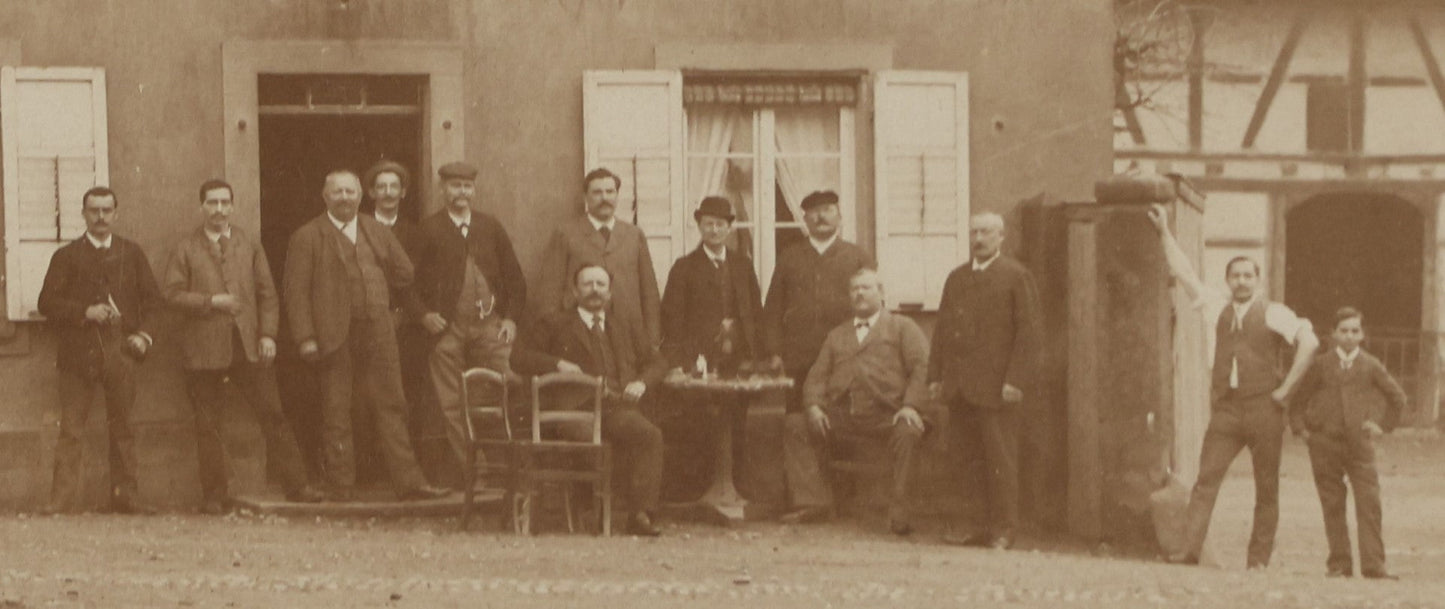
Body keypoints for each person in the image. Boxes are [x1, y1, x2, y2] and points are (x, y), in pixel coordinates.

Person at [1148, 203, 1319, 569]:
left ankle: (1257, 561)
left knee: (1266, 487)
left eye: (1247, 276)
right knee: (1206, 479)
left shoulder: (1274, 312)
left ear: (1257, 280)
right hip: (1227, 408)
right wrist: (1164, 232)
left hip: (1264, 408)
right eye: (1235, 276)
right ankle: (1189, 551)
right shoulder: (1215, 306)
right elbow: (1185, 273)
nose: (1241, 281)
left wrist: (1286, 389)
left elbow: (1311, 343)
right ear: (1228, 281)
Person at [282, 169, 449, 502]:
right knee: (336, 408)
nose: (345, 198)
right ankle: (341, 486)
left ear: (360, 196)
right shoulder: (308, 236)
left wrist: (379, 289)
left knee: (392, 404)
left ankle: (409, 482)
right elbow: (295, 292)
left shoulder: (375, 229)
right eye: (338, 192)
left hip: (378, 332)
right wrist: (305, 337)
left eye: (350, 192)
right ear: (325, 197)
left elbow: (405, 273)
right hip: (333, 334)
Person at [162, 179, 326, 512]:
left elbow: (267, 293)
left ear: (233, 206)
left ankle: (298, 485)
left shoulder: (248, 243)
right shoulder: (186, 248)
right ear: (201, 207)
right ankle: (214, 496)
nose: (219, 210)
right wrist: (212, 301)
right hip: (204, 349)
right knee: (208, 425)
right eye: (212, 203)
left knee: (274, 414)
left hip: (248, 346)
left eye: (225, 203)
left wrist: (267, 334)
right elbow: (171, 295)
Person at [511, 264, 667, 536]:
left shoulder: (622, 324)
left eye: (601, 285)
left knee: (646, 434)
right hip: (574, 411)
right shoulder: (555, 323)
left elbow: (657, 361)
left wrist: (642, 382)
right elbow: (519, 358)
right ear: (575, 290)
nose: (595, 290)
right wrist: (557, 363)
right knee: (640, 435)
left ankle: (638, 515)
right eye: (588, 284)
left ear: (610, 292)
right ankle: (609, 511)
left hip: (617, 408)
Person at [38, 186, 162, 514]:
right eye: (94, 210)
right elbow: (46, 303)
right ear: (83, 214)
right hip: (79, 354)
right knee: (72, 429)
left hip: (120, 351)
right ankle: (60, 501)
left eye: (107, 210)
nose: (101, 217)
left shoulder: (131, 253)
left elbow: (153, 301)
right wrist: (84, 312)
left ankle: (126, 498)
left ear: (116, 214)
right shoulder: (66, 256)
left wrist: (144, 336)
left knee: (122, 428)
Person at [780, 268, 932, 535]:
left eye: (866, 288)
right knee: (796, 424)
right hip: (844, 415)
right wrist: (814, 405)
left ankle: (900, 513)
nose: (859, 293)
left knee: (908, 432)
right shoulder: (837, 335)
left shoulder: (902, 327)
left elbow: (923, 368)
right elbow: (817, 375)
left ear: (881, 293)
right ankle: (814, 502)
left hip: (888, 414)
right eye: (854, 289)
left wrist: (910, 405)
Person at [403, 161, 526, 480]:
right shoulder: (428, 229)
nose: (461, 192)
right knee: (451, 403)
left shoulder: (490, 227)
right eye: (455, 186)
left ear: (474, 190)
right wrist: (423, 315)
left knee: (511, 384)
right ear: (442, 190)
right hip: (447, 330)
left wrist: (510, 319)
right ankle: (474, 473)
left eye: (467, 187)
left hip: (489, 327)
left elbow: (515, 279)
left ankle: (511, 471)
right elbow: (405, 283)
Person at [930, 212, 1040, 550]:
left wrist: (1015, 380)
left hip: (997, 389)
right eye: (974, 232)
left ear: (1001, 237)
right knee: (967, 459)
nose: (979, 239)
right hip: (961, 387)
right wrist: (936, 376)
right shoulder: (956, 278)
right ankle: (975, 526)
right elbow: (942, 331)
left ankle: (1004, 530)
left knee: (1000, 461)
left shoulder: (1015, 276)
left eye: (986, 233)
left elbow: (1029, 333)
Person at [656, 196, 763, 499]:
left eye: (719, 225)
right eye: (707, 225)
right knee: (701, 421)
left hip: (738, 359)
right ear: (699, 227)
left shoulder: (742, 266)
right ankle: (701, 489)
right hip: (699, 360)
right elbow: (672, 319)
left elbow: (755, 311)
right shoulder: (685, 267)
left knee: (737, 421)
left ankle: (734, 487)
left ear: (730, 228)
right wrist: (679, 361)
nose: (714, 230)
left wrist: (757, 356)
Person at [1290, 307, 1404, 580]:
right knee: (1332, 504)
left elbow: (1397, 398)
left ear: (1363, 335)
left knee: (1369, 503)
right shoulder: (1320, 365)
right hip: (1324, 444)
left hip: (1359, 447)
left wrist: (1382, 425)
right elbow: (1297, 401)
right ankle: (1339, 564)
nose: (1349, 336)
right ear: (1333, 334)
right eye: (1344, 331)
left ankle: (1374, 566)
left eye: (1355, 331)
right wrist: (1302, 430)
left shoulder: (1371, 365)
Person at [762, 190, 873, 417]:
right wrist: (774, 352)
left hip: (845, 356)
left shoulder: (857, 257)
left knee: (842, 421)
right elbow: (773, 308)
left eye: (827, 210)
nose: (820, 217)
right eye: (813, 212)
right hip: (799, 358)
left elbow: (874, 309)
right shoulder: (789, 257)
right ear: (804, 219)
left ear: (839, 217)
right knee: (798, 419)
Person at [537, 168, 662, 345]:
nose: (605, 198)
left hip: (628, 334)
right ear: (586, 197)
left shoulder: (634, 235)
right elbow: (550, 292)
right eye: (597, 192)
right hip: (580, 336)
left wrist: (652, 340)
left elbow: (649, 293)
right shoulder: (566, 234)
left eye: (610, 192)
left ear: (617, 196)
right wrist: (553, 337)